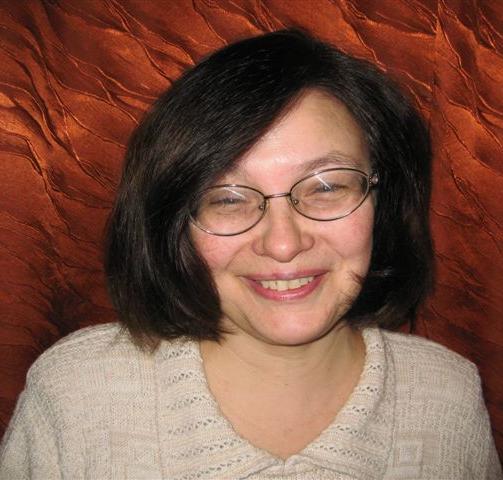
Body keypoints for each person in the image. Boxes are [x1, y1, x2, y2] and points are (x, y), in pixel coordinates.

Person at [0, 29, 501, 479]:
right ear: (174, 222)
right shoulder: (76, 394)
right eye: (227, 198)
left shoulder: (446, 397)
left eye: (327, 187)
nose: (283, 244)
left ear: (382, 202)